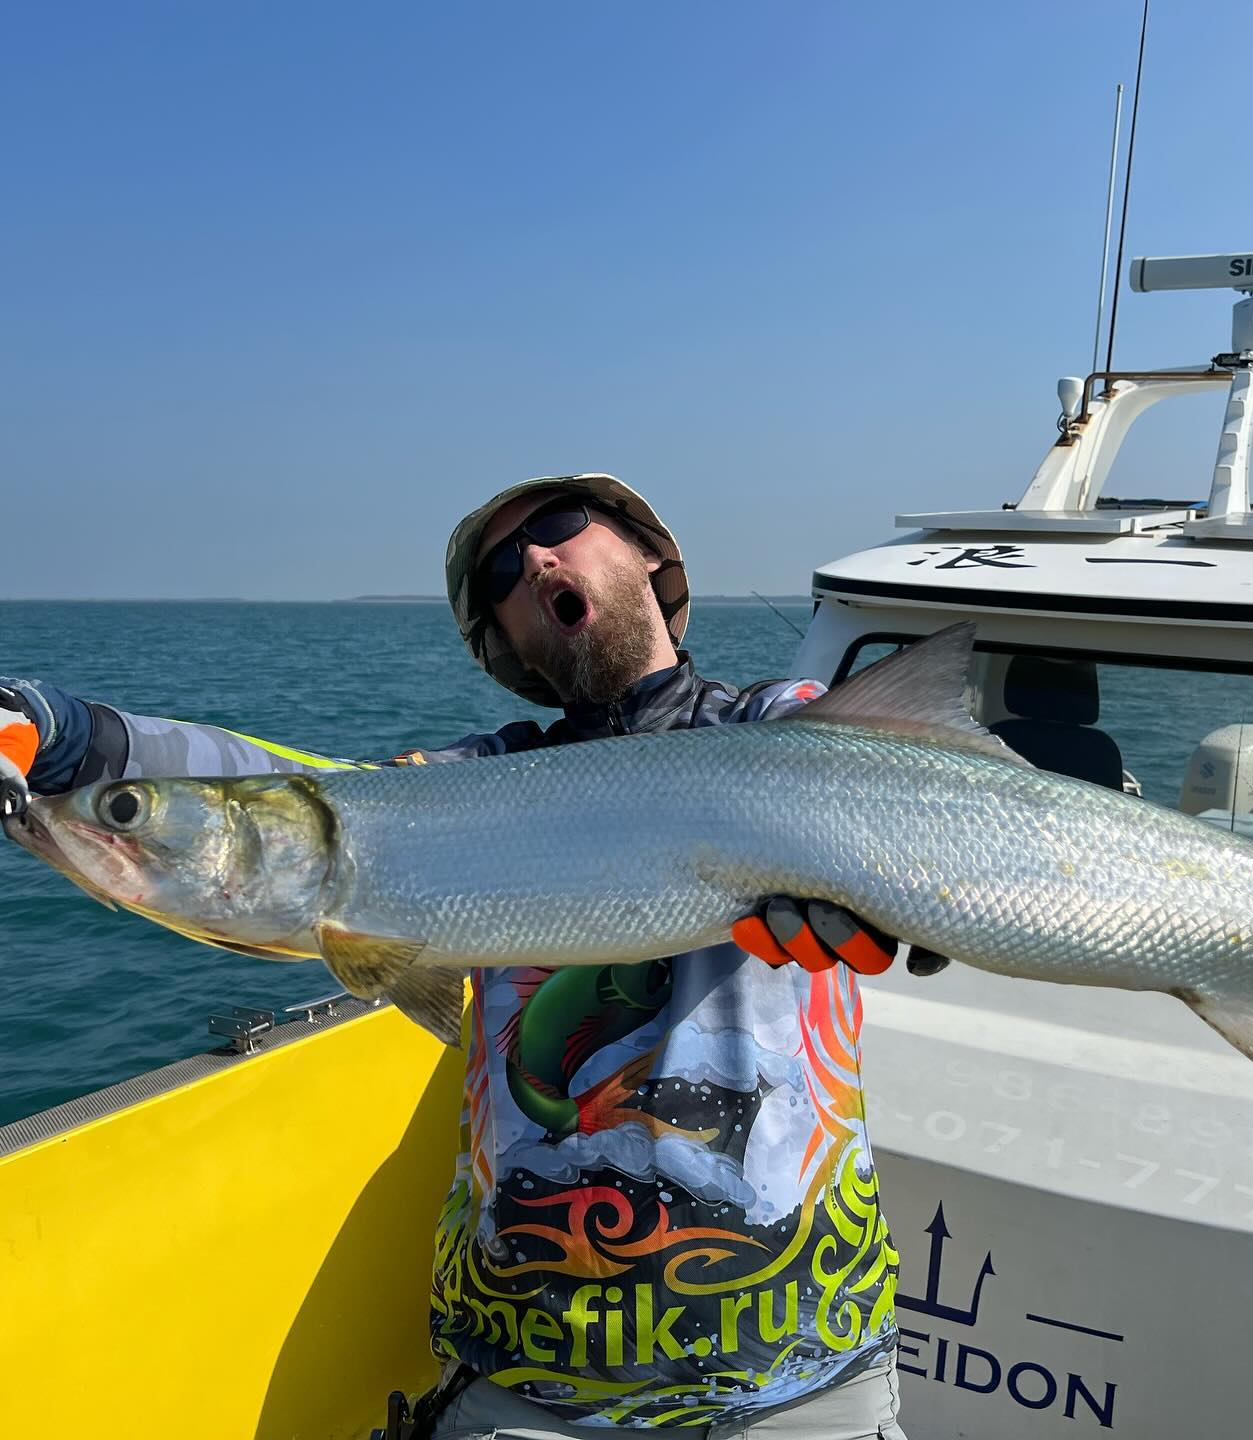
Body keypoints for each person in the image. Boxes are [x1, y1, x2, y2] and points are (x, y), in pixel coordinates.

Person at [1, 474, 911, 1439]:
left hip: (808, 1376)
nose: (536, 562)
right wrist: (62, 733)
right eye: (501, 574)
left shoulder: (782, 726)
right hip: (525, 1383)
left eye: (559, 528)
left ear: (649, 553)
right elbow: (299, 797)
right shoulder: (474, 786)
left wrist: (904, 910)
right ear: (504, 639)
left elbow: (915, 813)